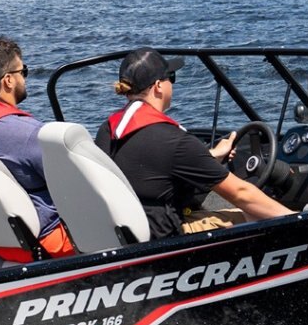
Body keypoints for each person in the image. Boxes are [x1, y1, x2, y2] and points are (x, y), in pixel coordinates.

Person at [96, 47, 295, 239]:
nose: (172, 84)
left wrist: (211, 155)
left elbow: (151, 168)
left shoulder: (108, 130)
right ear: (158, 86)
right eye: (171, 77)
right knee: (253, 215)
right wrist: (298, 219)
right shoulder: (174, 140)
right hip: (165, 238)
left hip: (125, 232)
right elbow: (242, 194)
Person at [0, 36, 76, 260]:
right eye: (22, 71)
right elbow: (75, 182)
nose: (24, 78)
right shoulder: (26, 133)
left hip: (2, 242)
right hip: (49, 241)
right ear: (8, 80)